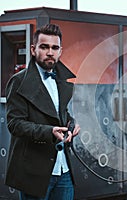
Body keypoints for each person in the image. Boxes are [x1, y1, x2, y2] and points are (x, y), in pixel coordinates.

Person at [5, 23, 80, 200]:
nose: (50, 52)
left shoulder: (62, 81)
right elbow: (15, 124)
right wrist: (49, 132)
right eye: (44, 47)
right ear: (33, 49)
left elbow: (61, 115)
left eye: (55, 48)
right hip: (34, 172)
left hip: (64, 169)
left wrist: (72, 125)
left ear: (60, 51)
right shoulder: (18, 82)